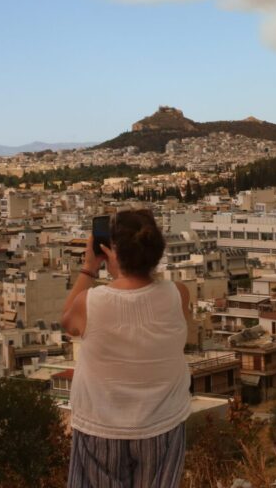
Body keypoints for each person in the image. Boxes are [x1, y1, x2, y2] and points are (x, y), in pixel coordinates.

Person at [61, 208, 193, 488]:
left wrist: (90, 267)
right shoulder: (178, 294)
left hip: (100, 424)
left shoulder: (90, 302)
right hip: (162, 423)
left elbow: (67, 322)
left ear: (113, 251)